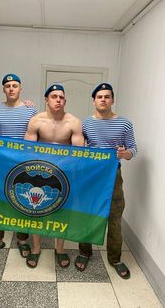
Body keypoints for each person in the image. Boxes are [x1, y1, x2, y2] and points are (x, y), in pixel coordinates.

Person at [75, 82, 137, 279]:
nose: (103, 99)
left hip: (113, 175)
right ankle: (85, 252)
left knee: (114, 218)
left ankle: (115, 259)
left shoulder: (125, 123)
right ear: (94, 101)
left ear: (112, 100)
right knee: (86, 213)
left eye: (107, 96)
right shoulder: (84, 123)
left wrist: (125, 153)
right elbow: (78, 147)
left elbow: (133, 149)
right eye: (99, 97)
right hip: (90, 174)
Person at [24, 84, 85, 268]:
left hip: (63, 173)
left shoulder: (73, 122)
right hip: (39, 171)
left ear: (65, 101)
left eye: (61, 97)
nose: (58, 100)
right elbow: (27, 151)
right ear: (46, 99)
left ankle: (60, 249)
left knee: (62, 211)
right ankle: (36, 248)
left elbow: (79, 154)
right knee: (36, 209)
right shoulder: (36, 121)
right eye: (54, 96)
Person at [0, 74, 38, 258]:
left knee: (21, 200)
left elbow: (38, 135)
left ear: (20, 88)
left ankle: (22, 239)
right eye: (8, 86)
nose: (11, 88)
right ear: (3, 89)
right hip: (1, 163)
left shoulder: (31, 110)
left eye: (15, 85)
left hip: (23, 164)